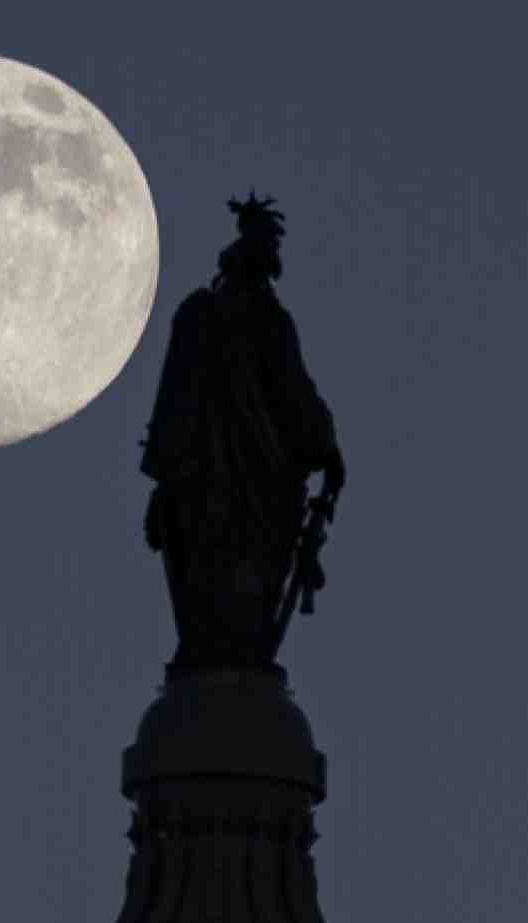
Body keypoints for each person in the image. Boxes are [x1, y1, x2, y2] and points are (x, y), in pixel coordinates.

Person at [139, 193, 346, 672]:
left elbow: (170, 404)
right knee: (243, 589)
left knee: (206, 586)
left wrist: (166, 477)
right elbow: (297, 401)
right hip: (256, 491)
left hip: (196, 491)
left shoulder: (197, 315)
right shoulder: (266, 322)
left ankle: (218, 660)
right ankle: (232, 661)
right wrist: (328, 449)